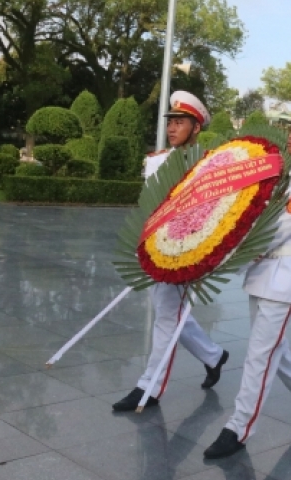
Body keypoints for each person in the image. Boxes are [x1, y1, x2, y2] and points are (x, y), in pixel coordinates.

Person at [203, 99, 291, 459]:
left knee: (259, 355)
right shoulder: (288, 174)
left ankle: (239, 428)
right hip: (264, 272)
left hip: (284, 277)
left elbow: (275, 228)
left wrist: (224, 247)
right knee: (273, 347)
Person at [113, 91, 228, 412]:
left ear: (196, 128)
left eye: (181, 123)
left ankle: (148, 387)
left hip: (185, 253)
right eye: (171, 122)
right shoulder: (155, 161)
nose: (173, 128)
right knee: (171, 314)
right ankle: (214, 356)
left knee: (166, 316)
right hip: (155, 250)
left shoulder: (207, 167)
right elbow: (148, 207)